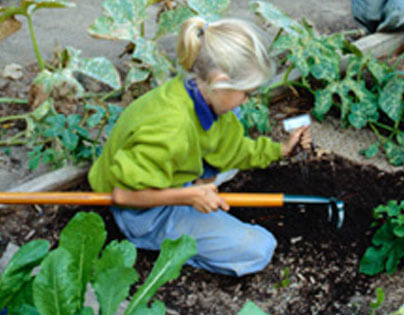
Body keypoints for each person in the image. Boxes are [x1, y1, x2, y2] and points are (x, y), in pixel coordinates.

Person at [88, 16, 311, 277]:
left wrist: (281, 150)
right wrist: (189, 197)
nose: (247, 100)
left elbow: (232, 147)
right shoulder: (171, 130)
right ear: (220, 81)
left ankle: (195, 190)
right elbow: (124, 196)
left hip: (164, 175)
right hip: (142, 211)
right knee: (258, 249)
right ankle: (165, 243)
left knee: (231, 119)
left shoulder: (198, 92)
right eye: (246, 93)